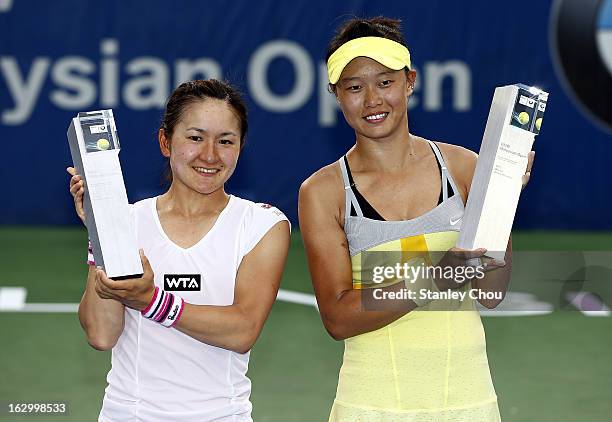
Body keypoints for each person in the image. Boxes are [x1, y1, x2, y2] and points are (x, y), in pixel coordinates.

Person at [298, 17, 534, 421]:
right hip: (370, 406)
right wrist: (435, 277)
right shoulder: (323, 192)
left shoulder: (464, 168)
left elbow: (491, 293)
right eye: (355, 87)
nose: (372, 99)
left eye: (385, 82)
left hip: (469, 401)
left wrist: (500, 206)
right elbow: (338, 318)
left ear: (409, 82)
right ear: (335, 94)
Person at [67, 79, 290, 422]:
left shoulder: (262, 225)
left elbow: (242, 330)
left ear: (241, 147)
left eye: (226, 141)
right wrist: (103, 232)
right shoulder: (127, 222)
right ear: (165, 141)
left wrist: (151, 300)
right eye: (196, 137)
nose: (210, 155)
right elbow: (100, 334)